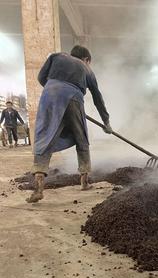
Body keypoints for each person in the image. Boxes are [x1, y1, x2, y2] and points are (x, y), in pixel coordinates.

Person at [27, 45, 112, 203]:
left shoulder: (56, 56)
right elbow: (97, 98)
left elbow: (41, 77)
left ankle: (38, 186)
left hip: (49, 95)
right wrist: (106, 121)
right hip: (74, 97)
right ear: (86, 59)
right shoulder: (87, 69)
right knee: (82, 138)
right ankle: (84, 182)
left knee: (44, 136)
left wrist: (55, 91)